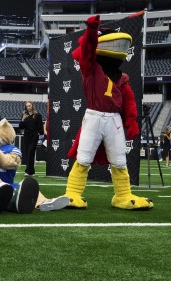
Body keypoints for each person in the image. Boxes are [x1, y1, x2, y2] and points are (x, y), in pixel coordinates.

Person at [63, 15, 152, 210]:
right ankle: (72, 193)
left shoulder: (123, 78)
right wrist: (92, 32)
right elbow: (86, 52)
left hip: (114, 120)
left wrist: (132, 122)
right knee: (83, 157)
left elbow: (129, 103)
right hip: (94, 116)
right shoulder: (91, 69)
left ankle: (123, 195)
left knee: (119, 159)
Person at [19, 101, 44, 176]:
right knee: (27, 153)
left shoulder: (37, 115)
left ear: (32, 106)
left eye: (29, 105)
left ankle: (27, 171)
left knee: (31, 152)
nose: (28, 107)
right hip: (26, 135)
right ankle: (31, 171)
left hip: (34, 136)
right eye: (27, 106)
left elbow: (40, 126)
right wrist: (22, 119)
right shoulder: (24, 115)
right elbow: (20, 127)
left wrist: (41, 135)